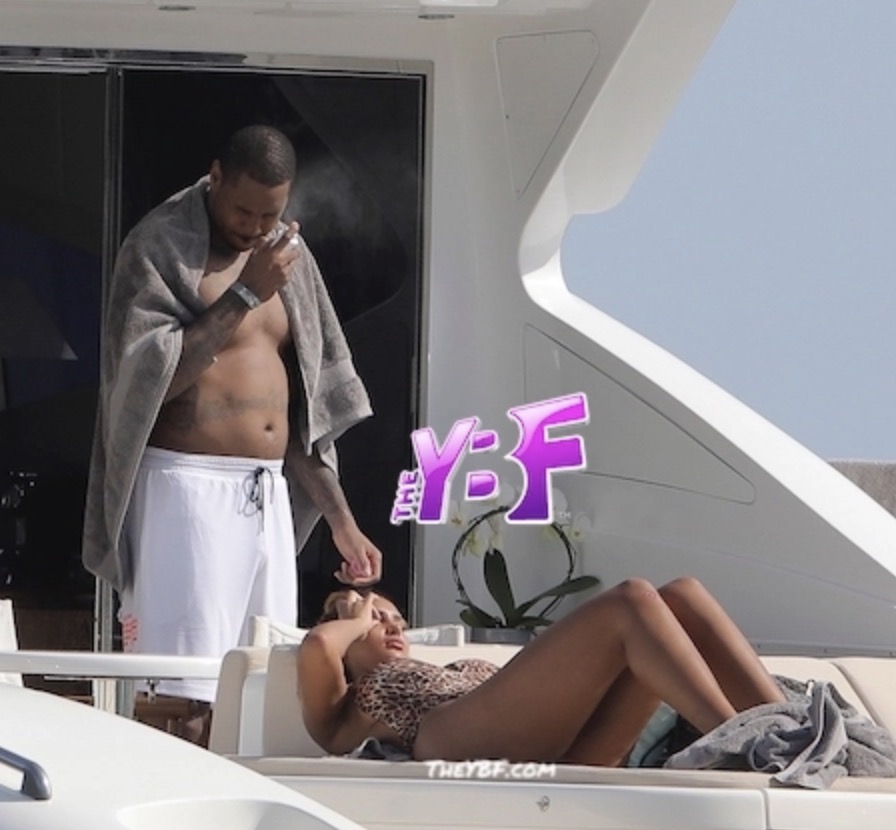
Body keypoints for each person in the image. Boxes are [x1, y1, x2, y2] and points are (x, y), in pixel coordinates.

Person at [83, 125, 382, 740]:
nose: (254, 226)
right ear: (215, 176)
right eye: (244, 210)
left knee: (263, 686)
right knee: (185, 691)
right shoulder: (160, 245)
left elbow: (301, 408)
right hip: (185, 491)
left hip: (267, 495)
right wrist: (247, 292)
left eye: (269, 213)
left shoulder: (287, 257)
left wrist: (341, 521)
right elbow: (147, 383)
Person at [298, 579, 786, 766]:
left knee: (681, 596)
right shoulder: (345, 709)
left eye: (398, 620)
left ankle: (787, 730)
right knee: (631, 601)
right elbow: (318, 645)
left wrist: (369, 618)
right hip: (450, 737)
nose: (392, 627)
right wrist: (355, 614)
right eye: (376, 620)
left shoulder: (442, 668)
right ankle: (743, 744)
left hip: (565, 751)